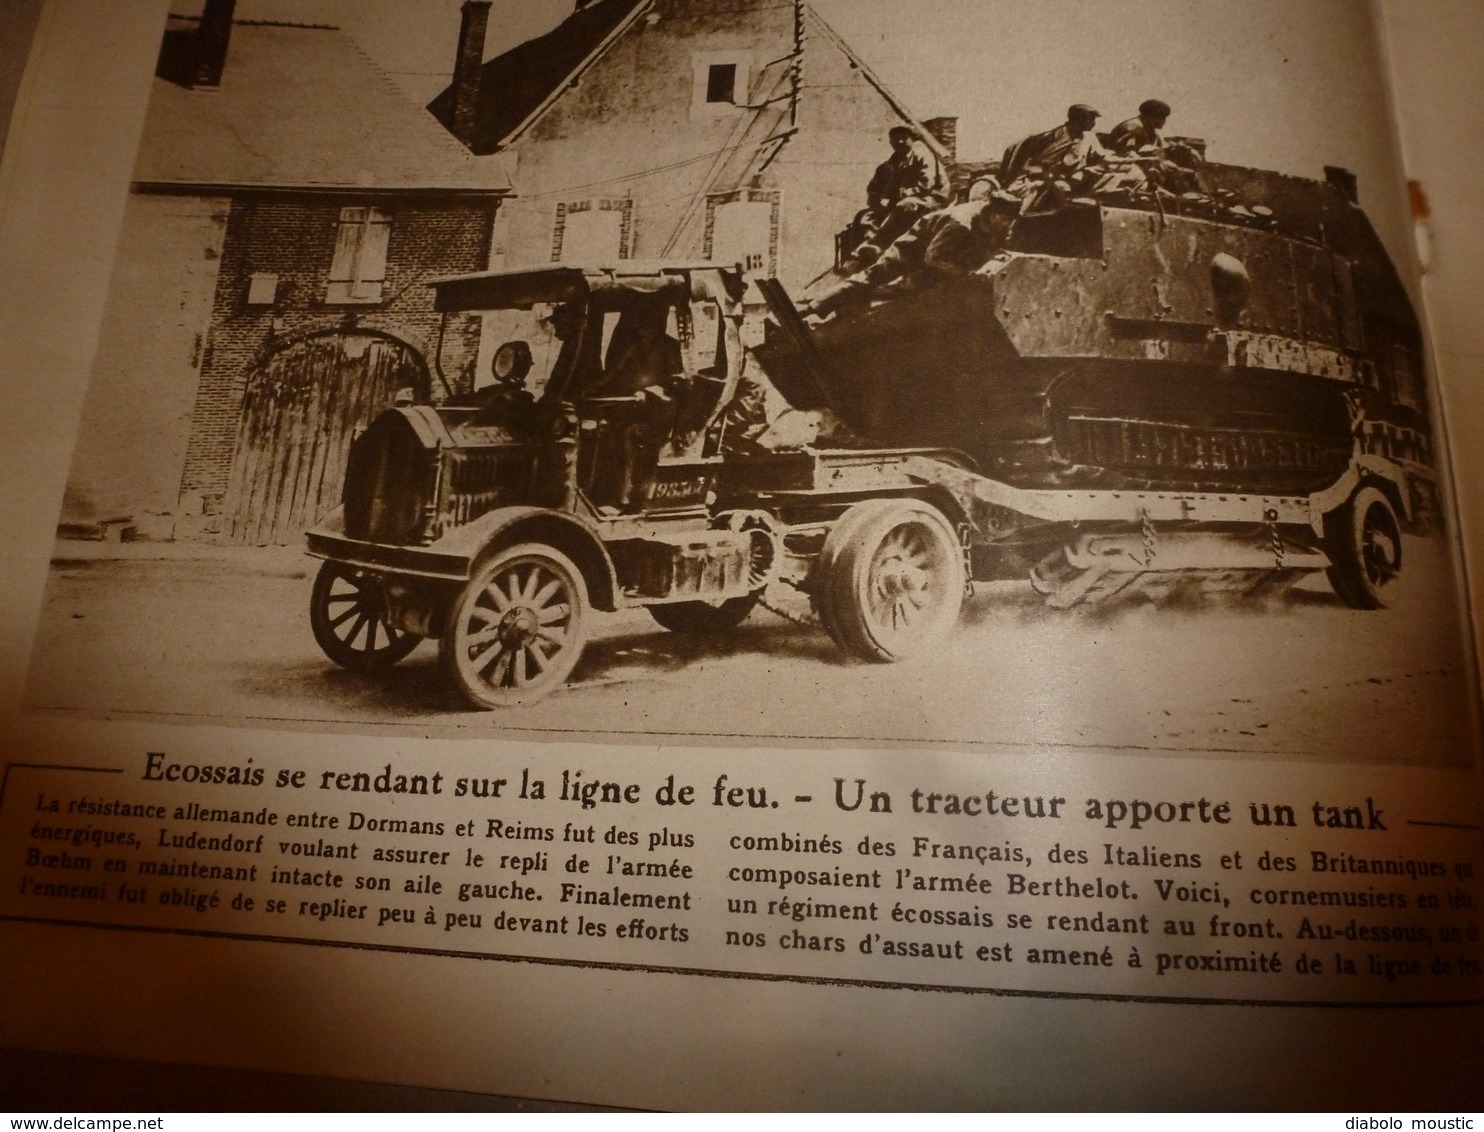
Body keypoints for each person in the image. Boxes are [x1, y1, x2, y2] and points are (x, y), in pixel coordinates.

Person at [804, 181, 1019, 319]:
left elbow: (998, 247)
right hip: (914, 247)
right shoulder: (961, 224)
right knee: (872, 277)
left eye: (1010, 220)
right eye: (1003, 219)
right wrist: (961, 272)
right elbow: (933, 257)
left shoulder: (1003, 224)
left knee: (909, 292)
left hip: (948, 252)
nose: (1007, 225)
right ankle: (814, 307)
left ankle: (857, 307)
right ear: (992, 214)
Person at [854, 125, 950, 265]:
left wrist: (903, 193)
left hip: (932, 198)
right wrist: (876, 201)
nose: (899, 142)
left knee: (904, 206)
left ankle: (876, 244)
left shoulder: (921, 154)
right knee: (866, 216)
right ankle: (866, 256)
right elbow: (874, 187)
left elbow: (927, 184)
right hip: (906, 199)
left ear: (912, 139)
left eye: (904, 138)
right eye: (895, 140)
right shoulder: (891, 163)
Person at [1000, 104, 1107, 187]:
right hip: (1042, 179)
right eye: (1091, 119)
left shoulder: (1089, 137)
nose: (1093, 123)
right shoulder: (1051, 136)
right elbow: (1026, 156)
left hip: (1070, 179)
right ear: (1079, 120)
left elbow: (1103, 156)